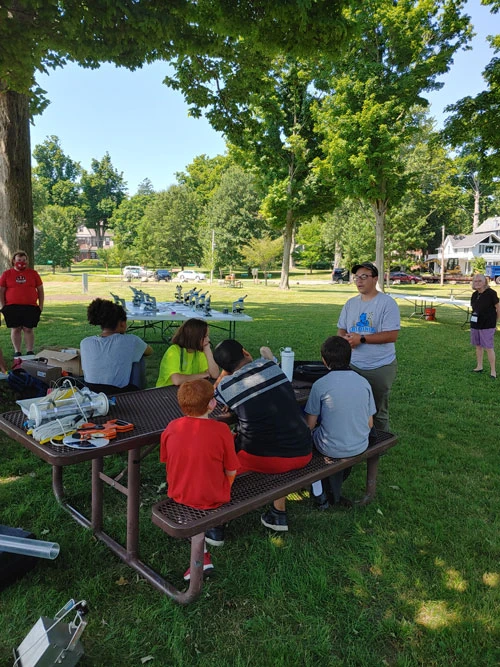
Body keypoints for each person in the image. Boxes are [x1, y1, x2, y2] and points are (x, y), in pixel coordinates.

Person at [213, 339, 312, 540]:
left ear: (224, 368)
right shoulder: (270, 366)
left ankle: (215, 524)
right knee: (274, 431)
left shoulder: (226, 387)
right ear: (245, 352)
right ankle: (278, 513)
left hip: (263, 458)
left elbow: (216, 392)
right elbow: (267, 357)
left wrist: (225, 375)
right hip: (303, 449)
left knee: (216, 459)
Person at [160, 379, 239, 581]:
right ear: (212, 404)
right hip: (214, 495)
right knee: (208, 491)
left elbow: (166, 459)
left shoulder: (171, 427)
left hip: (179, 492)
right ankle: (200, 558)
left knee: (195, 496)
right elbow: (231, 469)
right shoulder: (221, 430)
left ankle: (202, 554)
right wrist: (225, 486)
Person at [304, 336, 376, 509]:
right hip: (360, 444)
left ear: (323, 360)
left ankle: (317, 487)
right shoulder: (363, 382)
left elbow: (309, 426)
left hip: (329, 447)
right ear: (350, 355)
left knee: (306, 437)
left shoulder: (320, 384)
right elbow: (370, 424)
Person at [337, 261, 400, 432]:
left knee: (378, 410)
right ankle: (355, 438)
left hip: (379, 366)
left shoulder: (387, 303)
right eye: (356, 277)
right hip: (352, 364)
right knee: (352, 405)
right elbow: (341, 328)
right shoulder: (351, 303)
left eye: (364, 277)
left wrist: (361, 339)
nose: (359, 281)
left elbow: (392, 335)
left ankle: (380, 444)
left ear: (375, 279)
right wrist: (344, 339)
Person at [81, 298, 153, 394]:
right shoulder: (131, 341)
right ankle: (139, 394)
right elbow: (149, 351)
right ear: (122, 324)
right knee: (139, 358)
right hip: (120, 392)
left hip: (90, 391)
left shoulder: (85, 343)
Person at [0, 251, 44, 357]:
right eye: (19, 260)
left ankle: (30, 351)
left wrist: (41, 305)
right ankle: (17, 351)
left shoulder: (33, 274)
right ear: (14, 261)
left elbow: (40, 290)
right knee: (15, 329)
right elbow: (1, 290)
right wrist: (2, 305)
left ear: (27, 261)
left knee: (28, 329)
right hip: (11, 306)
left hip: (30, 306)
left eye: (24, 260)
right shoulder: (7, 274)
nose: (21, 262)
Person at [156, 318, 219, 387]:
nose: (208, 340)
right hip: (166, 391)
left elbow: (215, 374)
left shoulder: (200, 351)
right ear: (194, 337)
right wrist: (202, 375)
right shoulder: (174, 351)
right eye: (205, 336)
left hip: (189, 389)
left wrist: (208, 350)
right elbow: (177, 380)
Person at [470, 273, 499, 379]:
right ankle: (479, 366)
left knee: (489, 348)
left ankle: (493, 371)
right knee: (478, 346)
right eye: (475, 281)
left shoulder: (491, 293)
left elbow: (498, 309)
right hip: (475, 324)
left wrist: (495, 322)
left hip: (488, 325)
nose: (477, 283)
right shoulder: (474, 294)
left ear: (485, 282)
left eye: (479, 281)